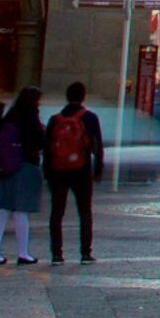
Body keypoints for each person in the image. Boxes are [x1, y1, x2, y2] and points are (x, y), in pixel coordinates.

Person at [46, 82, 106, 264]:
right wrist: (98, 169)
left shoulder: (55, 120)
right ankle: (85, 253)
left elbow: (47, 148)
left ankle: (57, 254)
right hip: (82, 170)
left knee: (57, 212)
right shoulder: (90, 118)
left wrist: (47, 172)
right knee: (85, 212)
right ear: (83, 96)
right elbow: (98, 146)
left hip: (58, 171)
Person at [0, 84, 47, 263]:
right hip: (26, 166)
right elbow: (39, 142)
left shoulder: (10, 116)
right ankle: (23, 253)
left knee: (3, 210)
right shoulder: (31, 118)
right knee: (21, 211)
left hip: (6, 167)